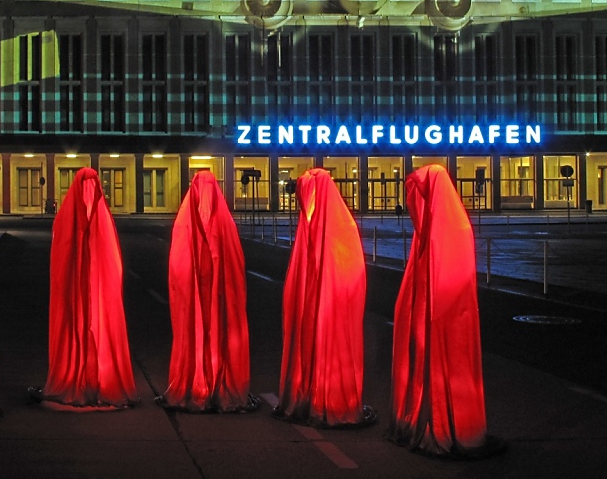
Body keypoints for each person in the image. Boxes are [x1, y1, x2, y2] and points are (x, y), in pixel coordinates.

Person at [389, 165, 493, 457]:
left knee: (447, 370)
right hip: (431, 319)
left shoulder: (451, 230)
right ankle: (434, 415)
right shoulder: (430, 233)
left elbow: (453, 284)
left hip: (449, 322)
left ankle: (449, 419)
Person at [275, 168, 374, 427]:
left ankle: (328, 395)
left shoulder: (341, 230)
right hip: (315, 308)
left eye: (310, 200)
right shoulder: (309, 232)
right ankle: (311, 391)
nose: (306, 208)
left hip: (334, 313)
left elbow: (348, 273)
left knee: (329, 346)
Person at [32, 167, 137, 409]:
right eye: (86, 189)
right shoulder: (67, 222)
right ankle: (76, 371)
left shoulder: (102, 224)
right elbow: (62, 261)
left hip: (95, 292)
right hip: (74, 297)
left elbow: (112, 264)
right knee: (76, 325)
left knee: (95, 324)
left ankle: (94, 373)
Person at [158, 170, 257, 412]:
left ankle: (209, 379)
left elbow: (232, 268)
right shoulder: (192, 227)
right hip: (200, 294)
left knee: (215, 331)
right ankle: (202, 379)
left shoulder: (218, 227)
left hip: (216, 296)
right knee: (200, 331)